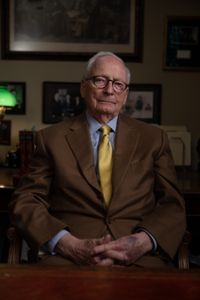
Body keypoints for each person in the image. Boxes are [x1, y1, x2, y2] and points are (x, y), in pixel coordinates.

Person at [9, 51, 186, 268]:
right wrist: (66, 243)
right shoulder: (51, 139)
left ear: (126, 94)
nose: (109, 90)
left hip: (140, 258)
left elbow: (173, 205)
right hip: (69, 259)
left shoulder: (153, 139)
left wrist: (142, 242)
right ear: (84, 87)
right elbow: (26, 201)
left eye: (118, 84)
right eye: (100, 80)